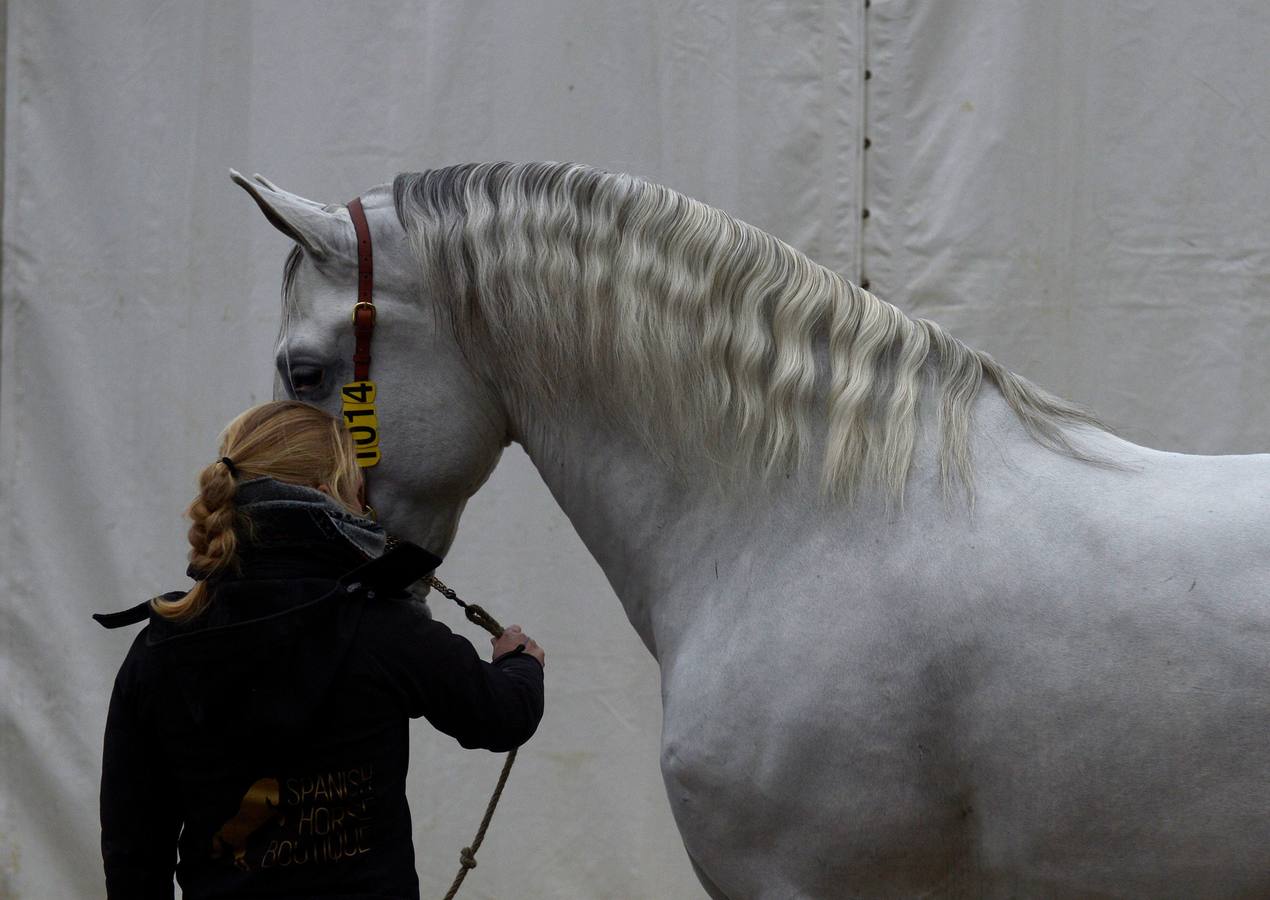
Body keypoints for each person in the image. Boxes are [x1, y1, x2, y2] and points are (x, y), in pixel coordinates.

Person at [98, 400, 545, 899]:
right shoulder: (381, 624)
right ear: (327, 491)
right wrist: (520, 660)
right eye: (358, 483)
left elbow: (133, 844)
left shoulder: (162, 640)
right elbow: (503, 715)